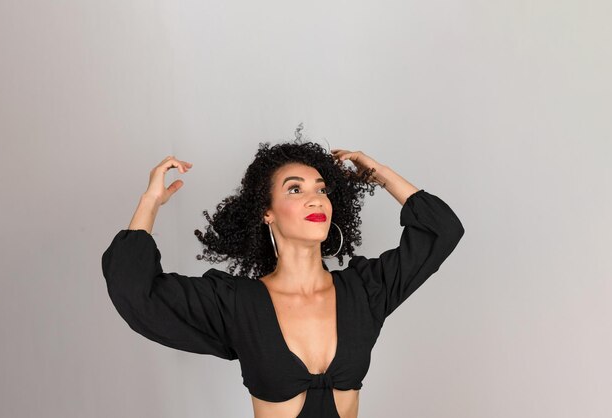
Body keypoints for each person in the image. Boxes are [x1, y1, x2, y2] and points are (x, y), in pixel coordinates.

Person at [101, 134, 465, 418]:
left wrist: (379, 175)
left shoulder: (364, 291)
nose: (316, 199)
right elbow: (135, 291)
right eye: (295, 189)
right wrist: (150, 202)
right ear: (267, 213)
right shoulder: (237, 304)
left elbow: (442, 230)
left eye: (322, 189)